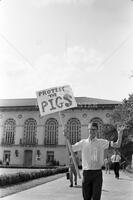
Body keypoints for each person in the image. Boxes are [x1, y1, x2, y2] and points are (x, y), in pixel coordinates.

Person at [64, 122, 124, 200]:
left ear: (97, 131)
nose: (92, 131)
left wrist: (120, 134)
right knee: (86, 198)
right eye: (90, 129)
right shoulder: (83, 143)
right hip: (86, 174)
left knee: (96, 198)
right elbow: (70, 149)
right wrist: (66, 137)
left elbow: (117, 144)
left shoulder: (101, 142)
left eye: (94, 129)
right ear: (88, 130)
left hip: (97, 174)